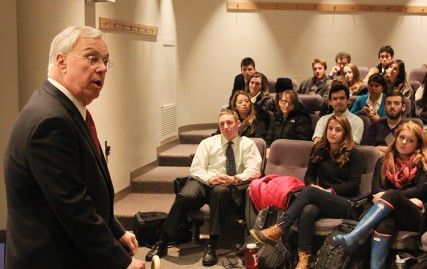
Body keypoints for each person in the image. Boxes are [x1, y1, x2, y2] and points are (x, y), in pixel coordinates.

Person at [4, 26, 145, 269]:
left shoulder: (62, 109)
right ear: (62, 62)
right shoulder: (51, 121)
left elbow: (86, 188)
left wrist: (116, 230)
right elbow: (74, 208)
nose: (102, 67)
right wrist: (122, 262)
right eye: (92, 58)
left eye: (106, 61)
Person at [145, 109, 262, 266]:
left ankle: (212, 245)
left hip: (227, 185)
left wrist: (233, 179)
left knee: (220, 192)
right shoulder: (208, 143)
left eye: (229, 122)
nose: (226, 126)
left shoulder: (247, 144)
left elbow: (254, 170)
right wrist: (210, 179)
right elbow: (196, 169)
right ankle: (163, 242)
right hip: (204, 181)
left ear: (238, 124)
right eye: (222, 124)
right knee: (185, 196)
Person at [251, 115, 363, 269]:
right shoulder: (318, 149)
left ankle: (281, 227)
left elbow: (353, 184)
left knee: (310, 192)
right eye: (330, 129)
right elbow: (309, 176)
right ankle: (304, 258)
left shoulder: (353, 153)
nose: (333, 132)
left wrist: (328, 191)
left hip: (344, 202)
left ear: (345, 133)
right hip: (319, 198)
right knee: (308, 210)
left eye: (338, 130)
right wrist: (316, 188)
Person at [334, 121, 427, 269]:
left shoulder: (422, 163)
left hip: (413, 216)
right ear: (395, 138)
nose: (404, 142)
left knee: (391, 195)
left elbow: (421, 190)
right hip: (387, 214)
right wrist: (401, 198)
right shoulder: (383, 161)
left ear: (417, 145)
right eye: (401, 137)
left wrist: (394, 197)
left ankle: (354, 236)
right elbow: (376, 191)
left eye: (410, 140)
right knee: (385, 224)